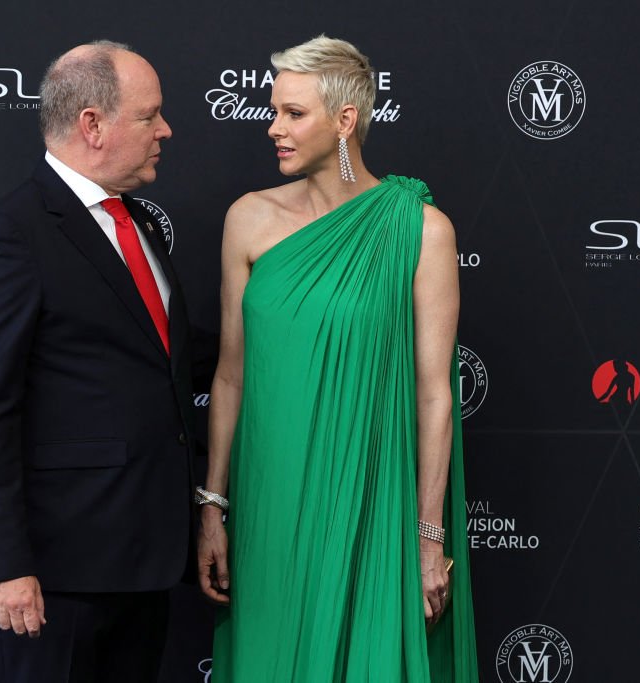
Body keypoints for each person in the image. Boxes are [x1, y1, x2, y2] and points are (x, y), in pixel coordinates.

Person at [197, 35, 479, 681]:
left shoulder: (420, 229)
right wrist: (213, 505)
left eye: (293, 113)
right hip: (270, 503)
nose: (273, 127)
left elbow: (435, 393)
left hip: (369, 502)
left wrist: (427, 538)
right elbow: (231, 374)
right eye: (274, 110)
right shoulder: (248, 218)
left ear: (345, 119)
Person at [0, 40, 195, 683]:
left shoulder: (134, 220)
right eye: (150, 116)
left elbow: (165, 358)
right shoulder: (11, 236)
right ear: (93, 124)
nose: (166, 130)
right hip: (53, 578)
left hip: (145, 563)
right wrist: (2, 563)